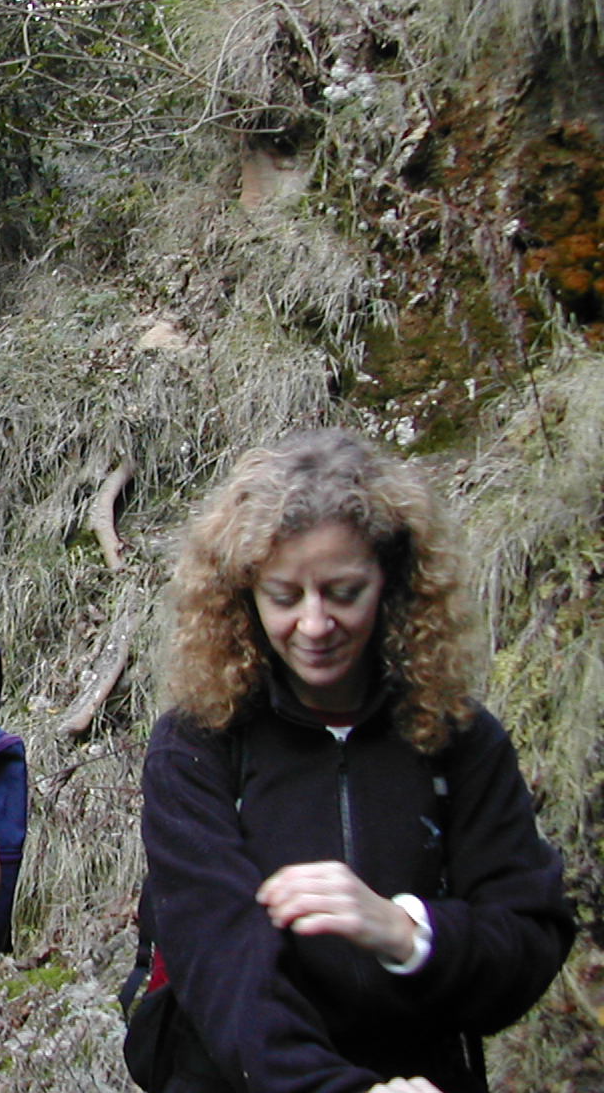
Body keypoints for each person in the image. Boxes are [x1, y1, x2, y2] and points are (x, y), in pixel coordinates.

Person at [139, 429, 574, 1093]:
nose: (315, 625)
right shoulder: (199, 743)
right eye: (285, 596)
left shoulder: (458, 738)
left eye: (343, 592)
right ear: (244, 594)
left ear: (391, 581)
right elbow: (222, 964)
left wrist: (409, 932)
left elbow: (528, 937)